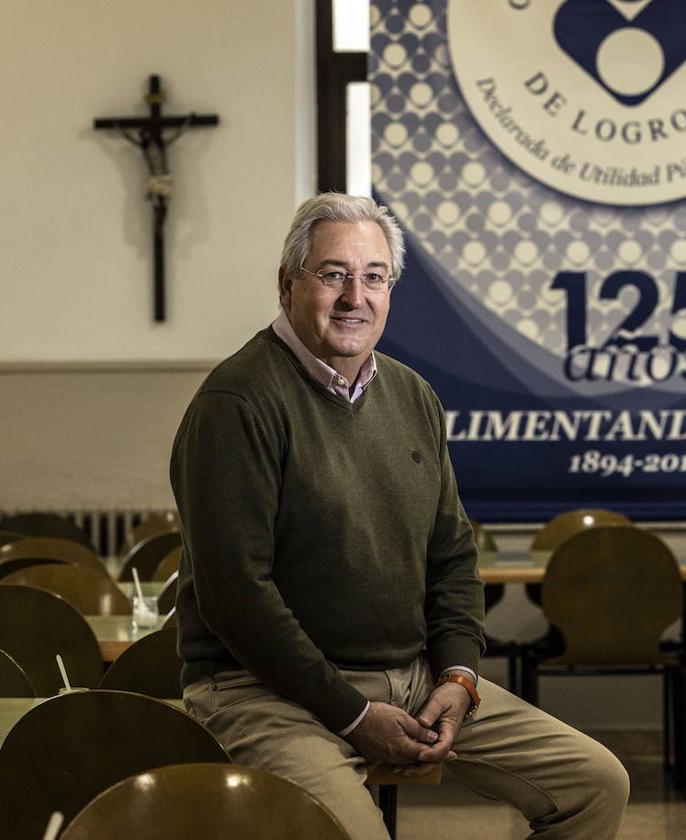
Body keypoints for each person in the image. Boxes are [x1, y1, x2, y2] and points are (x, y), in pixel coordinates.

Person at [171, 192, 629, 838]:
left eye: (375, 277)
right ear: (287, 284)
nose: (355, 296)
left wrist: (459, 677)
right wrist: (353, 715)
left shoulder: (413, 396)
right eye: (334, 274)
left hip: (412, 683)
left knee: (597, 785)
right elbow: (236, 598)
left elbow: (453, 557)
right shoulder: (236, 403)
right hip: (264, 694)